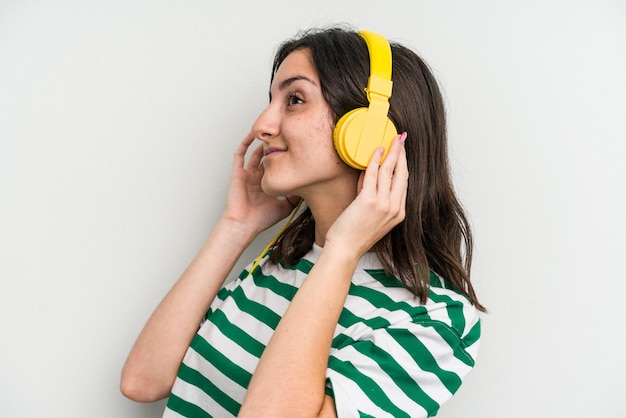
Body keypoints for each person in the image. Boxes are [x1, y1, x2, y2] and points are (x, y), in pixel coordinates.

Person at [121, 26, 485, 418]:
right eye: (271, 100)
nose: (262, 124)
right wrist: (236, 225)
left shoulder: (434, 322)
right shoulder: (284, 259)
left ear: (368, 133)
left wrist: (343, 251)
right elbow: (143, 381)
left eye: (294, 99)